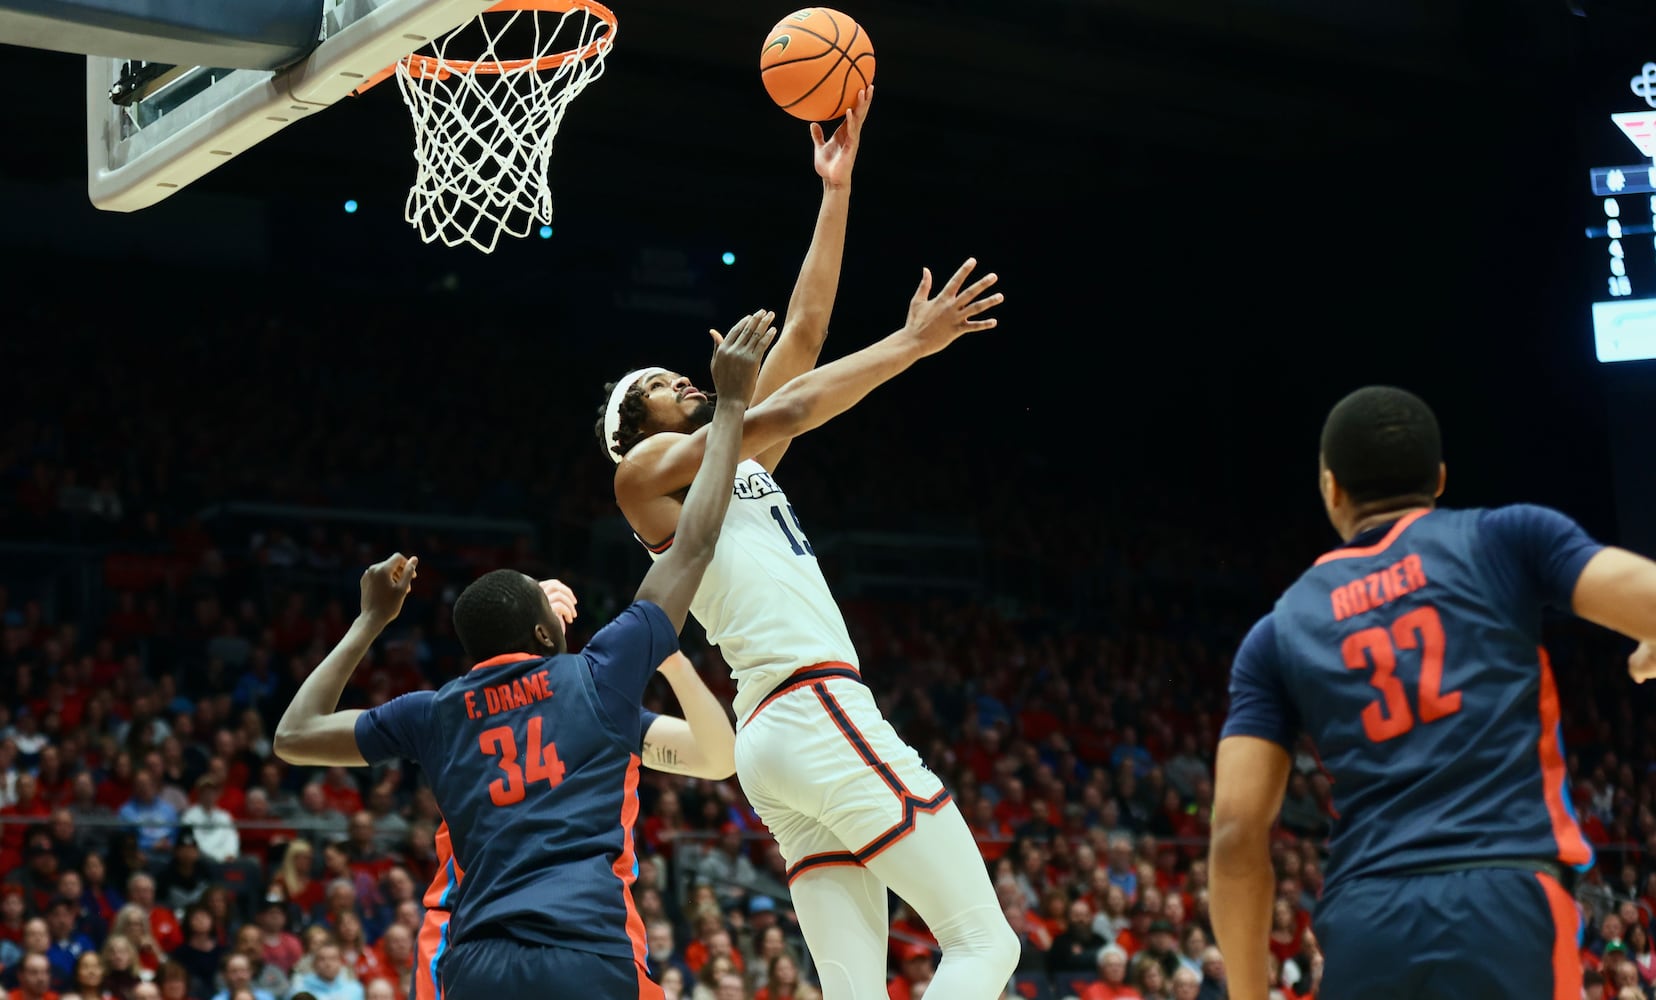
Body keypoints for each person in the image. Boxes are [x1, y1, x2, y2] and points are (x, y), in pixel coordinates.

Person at [272, 311, 776, 1000]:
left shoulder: (435, 713)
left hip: (475, 963)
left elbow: (293, 736)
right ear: (545, 635)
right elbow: (691, 543)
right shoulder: (599, 677)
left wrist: (368, 622)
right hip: (586, 951)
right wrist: (734, 404)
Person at [597, 231, 1008, 1000]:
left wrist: (836, 185)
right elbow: (800, 402)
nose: (680, 378)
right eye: (659, 382)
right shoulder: (641, 472)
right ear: (630, 426)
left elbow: (808, 334)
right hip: (811, 707)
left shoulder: (736, 469)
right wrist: (912, 344)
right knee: (984, 943)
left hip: (775, 734)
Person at [1209, 385, 1656, 1000]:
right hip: (1506, 901)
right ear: (1440, 478)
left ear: (1332, 488)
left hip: (1366, 923)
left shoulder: (1279, 631)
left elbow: (1234, 831)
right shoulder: (1505, 538)